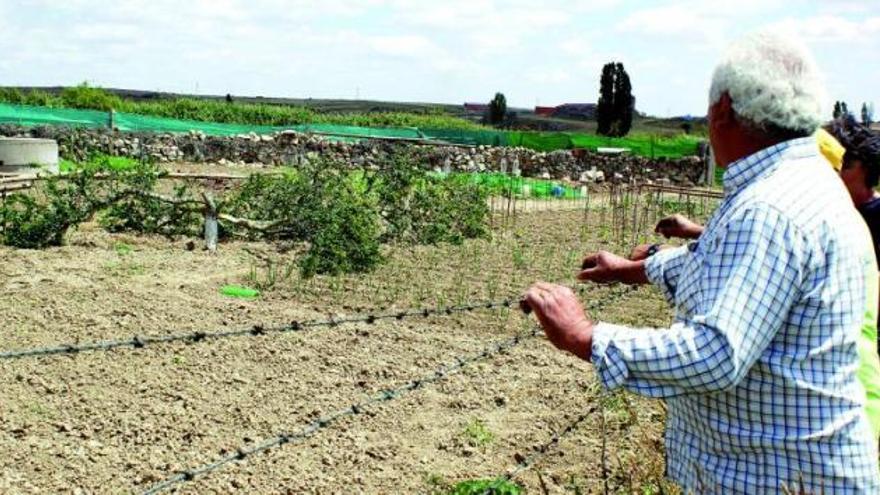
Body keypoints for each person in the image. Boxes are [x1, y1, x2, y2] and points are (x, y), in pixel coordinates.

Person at [523, 31, 880, 493]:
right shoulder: (801, 182)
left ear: (723, 109)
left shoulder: (769, 208)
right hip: (795, 470)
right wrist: (633, 269)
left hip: (780, 479)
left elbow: (716, 354)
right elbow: (722, 264)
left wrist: (585, 336)